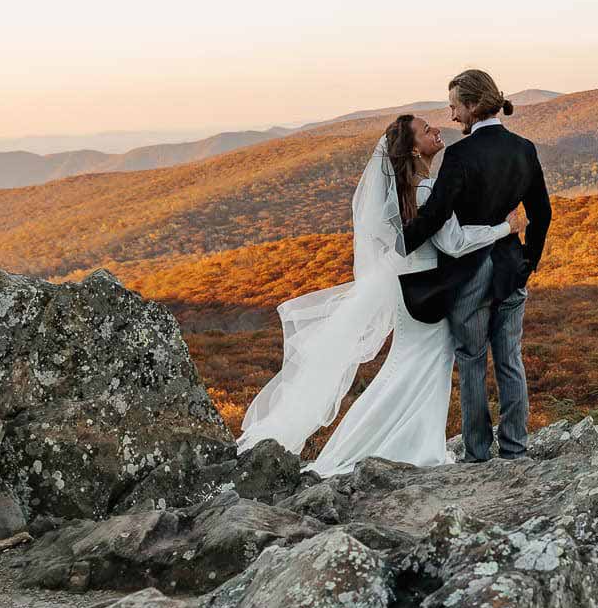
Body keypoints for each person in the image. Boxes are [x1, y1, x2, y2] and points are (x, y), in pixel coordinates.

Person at [236, 109, 527, 473]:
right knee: (416, 367)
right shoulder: (426, 191)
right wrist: (505, 227)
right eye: (426, 130)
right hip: (426, 291)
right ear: (412, 149)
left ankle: (408, 446)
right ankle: (383, 451)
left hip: (413, 287)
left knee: (412, 367)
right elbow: (454, 242)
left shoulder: (411, 191)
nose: (437, 129)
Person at [399, 68, 551, 461]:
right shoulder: (524, 148)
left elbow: (435, 216)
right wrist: (528, 260)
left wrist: (397, 248)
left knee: (471, 361)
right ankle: (516, 449)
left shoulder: (461, 155)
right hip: (510, 268)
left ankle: (478, 452)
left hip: (469, 274)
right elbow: (542, 213)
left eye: (454, 107)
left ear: (471, 105)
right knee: (510, 360)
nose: (452, 117)